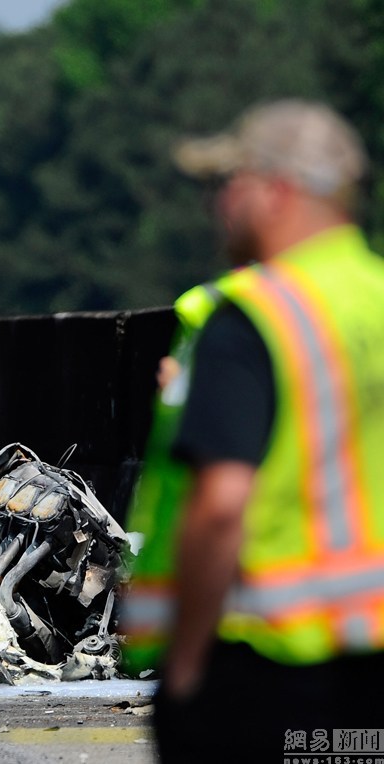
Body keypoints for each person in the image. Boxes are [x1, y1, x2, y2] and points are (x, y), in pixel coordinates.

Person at [120, 100, 384, 761]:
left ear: (275, 190)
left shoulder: (253, 316)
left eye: (230, 183)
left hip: (267, 668)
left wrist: (184, 668)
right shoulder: (374, 299)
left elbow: (221, 506)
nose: (221, 204)